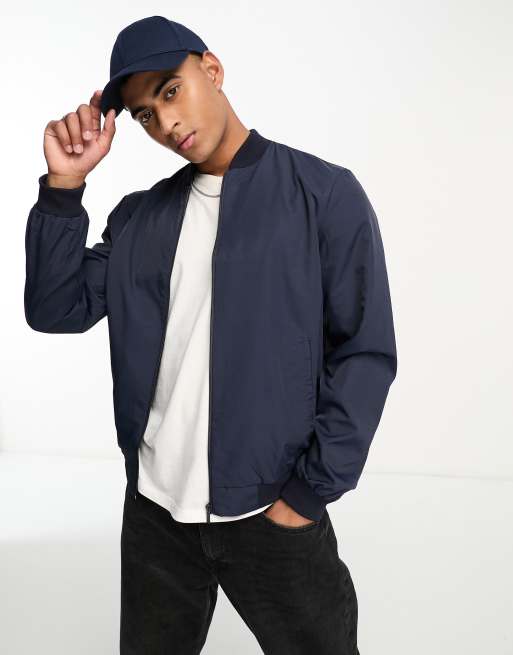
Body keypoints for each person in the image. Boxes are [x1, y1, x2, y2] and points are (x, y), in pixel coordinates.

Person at [24, 15, 397, 655]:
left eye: (171, 91)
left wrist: (306, 496)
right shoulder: (141, 217)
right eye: (145, 114)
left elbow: (363, 352)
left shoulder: (323, 194)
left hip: (270, 511)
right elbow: (56, 307)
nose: (166, 123)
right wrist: (64, 187)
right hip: (156, 515)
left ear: (213, 70)